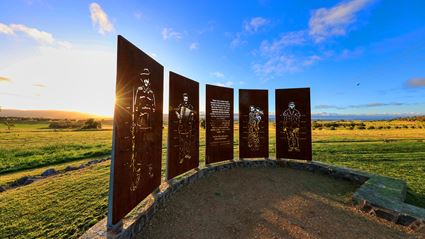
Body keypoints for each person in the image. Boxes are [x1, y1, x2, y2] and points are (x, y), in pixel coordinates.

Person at [130, 68, 156, 191]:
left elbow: (154, 108)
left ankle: (150, 170)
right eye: (144, 77)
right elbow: (135, 107)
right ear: (142, 78)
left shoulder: (151, 92)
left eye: (148, 77)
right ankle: (137, 176)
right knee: (139, 149)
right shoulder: (139, 90)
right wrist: (135, 122)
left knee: (149, 147)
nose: (146, 79)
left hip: (149, 123)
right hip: (141, 123)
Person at [175, 93, 195, 164]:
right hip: (181, 125)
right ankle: (181, 157)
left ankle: (187, 154)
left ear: (188, 98)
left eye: (187, 98)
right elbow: (176, 111)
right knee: (181, 141)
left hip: (188, 126)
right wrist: (178, 115)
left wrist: (192, 115)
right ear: (183, 98)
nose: (186, 99)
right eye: (184, 98)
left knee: (188, 141)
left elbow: (193, 113)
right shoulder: (180, 105)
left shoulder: (190, 106)